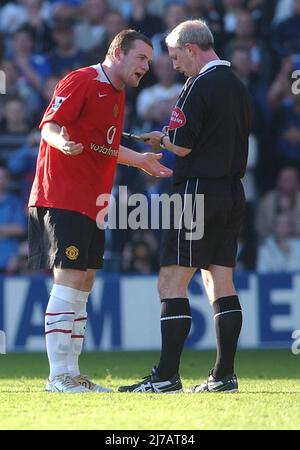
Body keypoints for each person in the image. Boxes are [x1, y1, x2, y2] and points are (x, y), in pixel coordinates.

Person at [28, 29, 172, 394]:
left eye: (149, 62)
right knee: (70, 279)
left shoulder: (117, 94)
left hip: (93, 202)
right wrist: (61, 141)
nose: (146, 67)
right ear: (118, 53)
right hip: (62, 195)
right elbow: (48, 125)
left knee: (85, 281)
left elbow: (104, 146)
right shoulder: (82, 79)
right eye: (141, 58)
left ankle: (71, 374)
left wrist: (139, 160)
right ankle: (58, 376)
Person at [118, 19, 252, 394]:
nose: (173, 65)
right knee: (219, 280)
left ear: (192, 50)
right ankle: (223, 376)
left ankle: (165, 377)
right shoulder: (239, 86)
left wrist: (161, 137)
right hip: (232, 192)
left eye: (176, 57)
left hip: (196, 193)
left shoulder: (199, 84)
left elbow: (183, 145)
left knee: (171, 281)